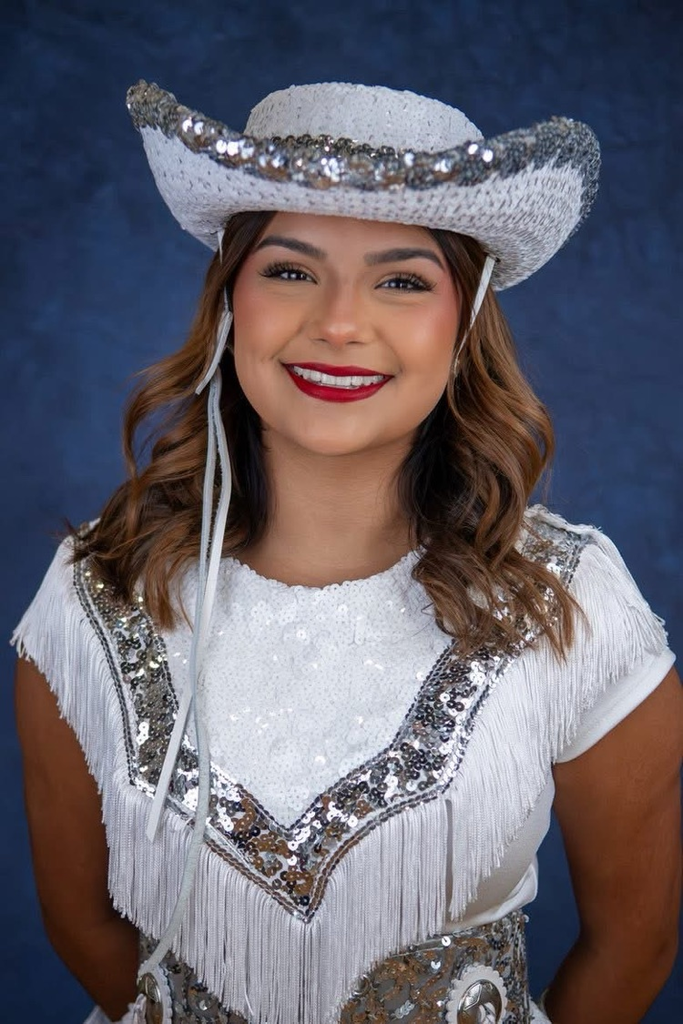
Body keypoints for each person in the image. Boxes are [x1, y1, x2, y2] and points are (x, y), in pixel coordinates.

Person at [12, 80, 682, 1024]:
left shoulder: (567, 600)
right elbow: (80, 918)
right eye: (289, 269)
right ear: (228, 300)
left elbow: (634, 940)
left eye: (402, 280)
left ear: (463, 324)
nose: (337, 321)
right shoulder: (96, 591)